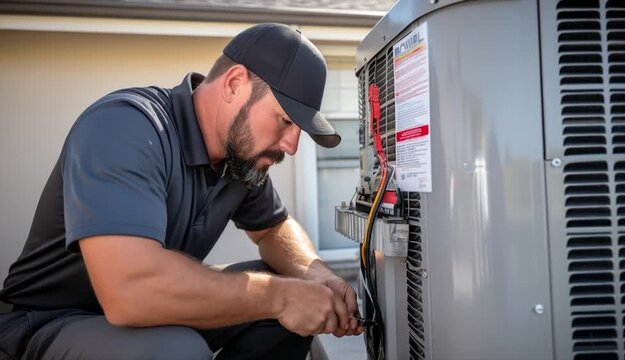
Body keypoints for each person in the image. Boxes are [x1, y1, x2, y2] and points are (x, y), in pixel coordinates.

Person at [0, 23, 363, 360]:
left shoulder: (240, 160)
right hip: (47, 323)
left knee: (291, 299)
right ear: (235, 83)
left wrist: (316, 275)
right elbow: (131, 290)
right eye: (285, 120)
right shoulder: (126, 128)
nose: (293, 145)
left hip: (145, 316)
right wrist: (280, 297)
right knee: (177, 351)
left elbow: (273, 229)